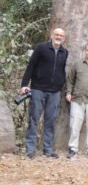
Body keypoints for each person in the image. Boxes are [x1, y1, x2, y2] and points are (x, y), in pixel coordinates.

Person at [20, 28, 68, 159]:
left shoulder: (65, 52)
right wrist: (24, 84)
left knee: (50, 120)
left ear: (64, 38)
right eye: (56, 34)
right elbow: (31, 66)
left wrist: (61, 84)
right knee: (34, 118)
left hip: (54, 92)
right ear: (52, 35)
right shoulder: (41, 48)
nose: (58, 37)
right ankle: (30, 150)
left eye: (61, 35)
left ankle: (47, 149)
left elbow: (62, 71)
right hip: (38, 89)